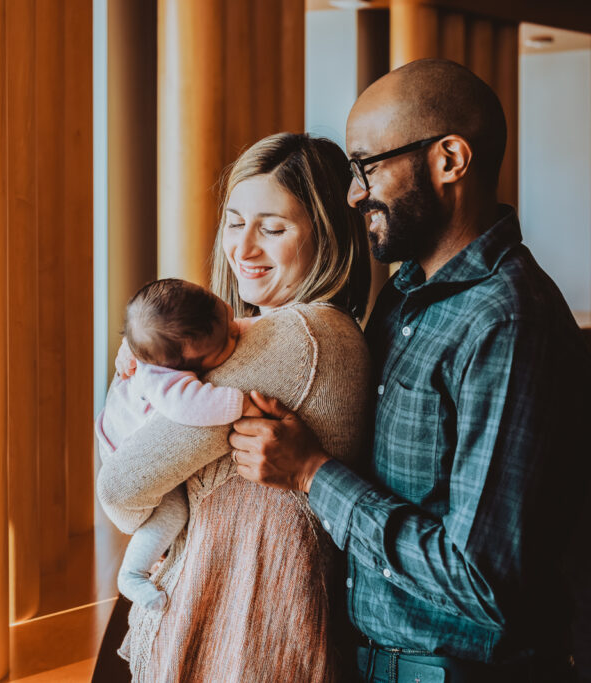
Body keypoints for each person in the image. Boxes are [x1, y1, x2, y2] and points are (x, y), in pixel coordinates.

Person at [229, 58, 591, 682]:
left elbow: (483, 582)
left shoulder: (506, 320)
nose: (353, 192)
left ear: (450, 160)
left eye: (367, 165)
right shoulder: (404, 293)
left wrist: (313, 472)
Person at [96, 132, 372, 682]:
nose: (243, 249)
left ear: (329, 236)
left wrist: (141, 375)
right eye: (233, 221)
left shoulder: (300, 336)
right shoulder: (259, 334)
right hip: (222, 628)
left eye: (272, 229)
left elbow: (121, 491)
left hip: (244, 644)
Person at [96, 278, 254, 611]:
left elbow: (233, 325)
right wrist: (242, 403)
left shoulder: (168, 337)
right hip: (124, 448)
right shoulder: (162, 378)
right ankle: (133, 573)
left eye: (225, 314)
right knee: (173, 511)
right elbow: (193, 406)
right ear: (179, 367)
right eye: (222, 346)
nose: (235, 332)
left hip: (113, 422)